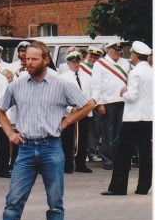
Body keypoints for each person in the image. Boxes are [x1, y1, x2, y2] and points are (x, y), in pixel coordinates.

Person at [0, 41, 95, 220]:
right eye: (27, 58)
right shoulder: (17, 85)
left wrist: (66, 123)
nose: (29, 63)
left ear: (46, 60)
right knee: (14, 200)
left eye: (34, 59)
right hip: (25, 149)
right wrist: (10, 133)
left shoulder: (60, 83)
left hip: (51, 148)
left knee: (55, 201)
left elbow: (88, 104)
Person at [103, 41, 152, 195]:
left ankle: (119, 186)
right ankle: (143, 187)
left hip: (133, 118)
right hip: (147, 117)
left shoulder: (135, 72)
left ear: (135, 55)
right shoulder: (151, 71)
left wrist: (123, 92)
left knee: (123, 153)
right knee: (145, 153)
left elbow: (131, 96)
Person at [92, 39, 131, 170]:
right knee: (108, 132)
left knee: (120, 131)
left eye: (119, 51)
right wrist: (100, 103)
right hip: (107, 102)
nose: (118, 53)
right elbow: (97, 85)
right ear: (108, 49)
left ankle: (118, 158)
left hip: (123, 101)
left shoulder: (125, 63)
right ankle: (108, 159)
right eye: (115, 50)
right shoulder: (100, 64)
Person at [60, 50, 94, 173]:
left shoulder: (87, 76)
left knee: (83, 139)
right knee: (68, 140)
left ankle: (81, 164)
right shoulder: (63, 78)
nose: (76, 64)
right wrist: (70, 108)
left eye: (78, 62)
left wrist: (89, 106)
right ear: (68, 63)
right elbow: (60, 98)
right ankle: (68, 164)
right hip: (70, 113)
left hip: (84, 112)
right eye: (73, 62)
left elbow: (90, 93)